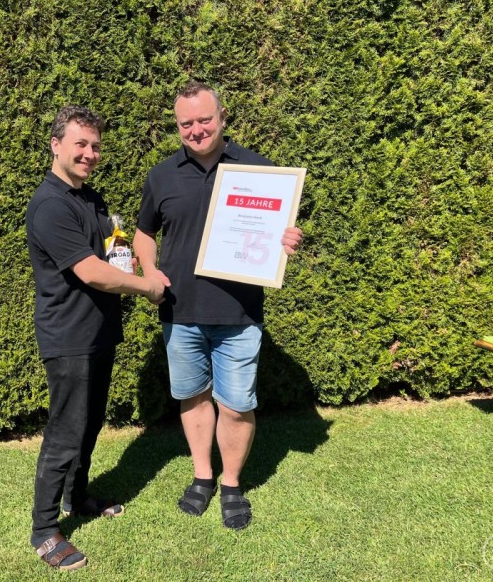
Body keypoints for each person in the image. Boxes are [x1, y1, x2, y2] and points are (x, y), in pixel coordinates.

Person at [133, 81, 303, 530]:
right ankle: (202, 475)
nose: (196, 130)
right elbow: (144, 232)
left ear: (223, 117)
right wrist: (148, 271)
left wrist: (288, 239)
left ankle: (231, 483)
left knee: (236, 404)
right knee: (192, 398)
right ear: (177, 127)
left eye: (205, 119)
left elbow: (279, 232)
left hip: (239, 313)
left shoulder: (261, 170)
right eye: (186, 123)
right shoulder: (161, 176)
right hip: (180, 310)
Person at [26, 105, 166, 571]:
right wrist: (147, 286)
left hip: (98, 332)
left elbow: (111, 251)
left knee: (89, 424)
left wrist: (131, 256)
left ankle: (77, 495)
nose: (89, 153)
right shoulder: (50, 205)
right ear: (56, 145)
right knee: (66, 432)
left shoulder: (90, 198)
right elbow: (89, 271)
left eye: (95, 146)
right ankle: (45, 530)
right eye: (80, 144)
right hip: (69, 337)